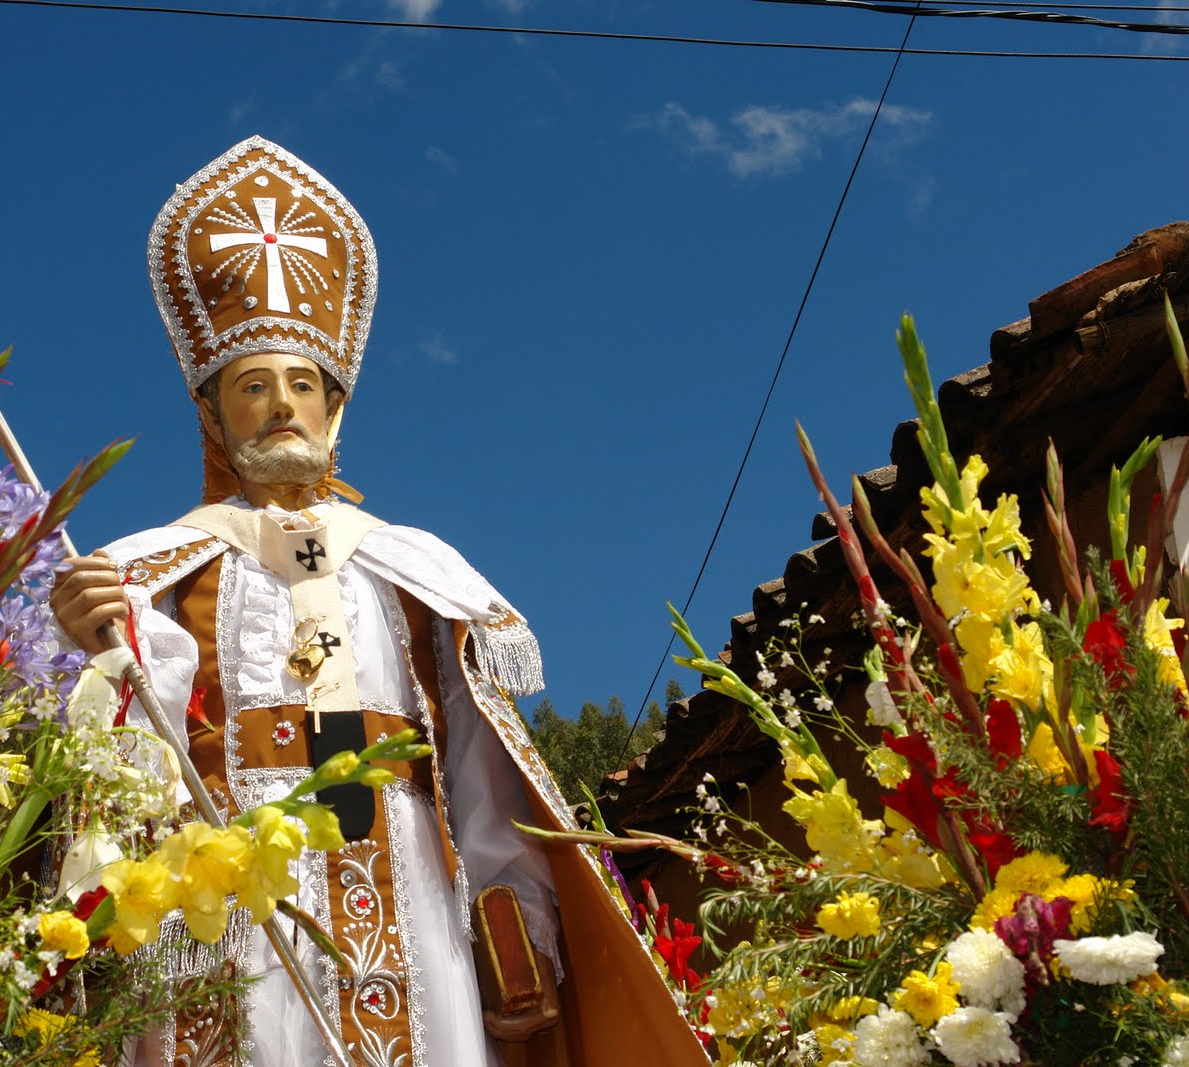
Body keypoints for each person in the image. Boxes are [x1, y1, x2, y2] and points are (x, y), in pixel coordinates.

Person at [51, 136, 706, 1067]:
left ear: (333, 408)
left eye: (301, 385)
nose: (281, 404)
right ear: (213, 414)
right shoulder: (152, 565)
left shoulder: (412, 564)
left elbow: (474, 759)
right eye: (251, 386)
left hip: (403, 872)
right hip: (229, 886)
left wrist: (514, 913)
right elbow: (134, 739)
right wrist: (98, 646)